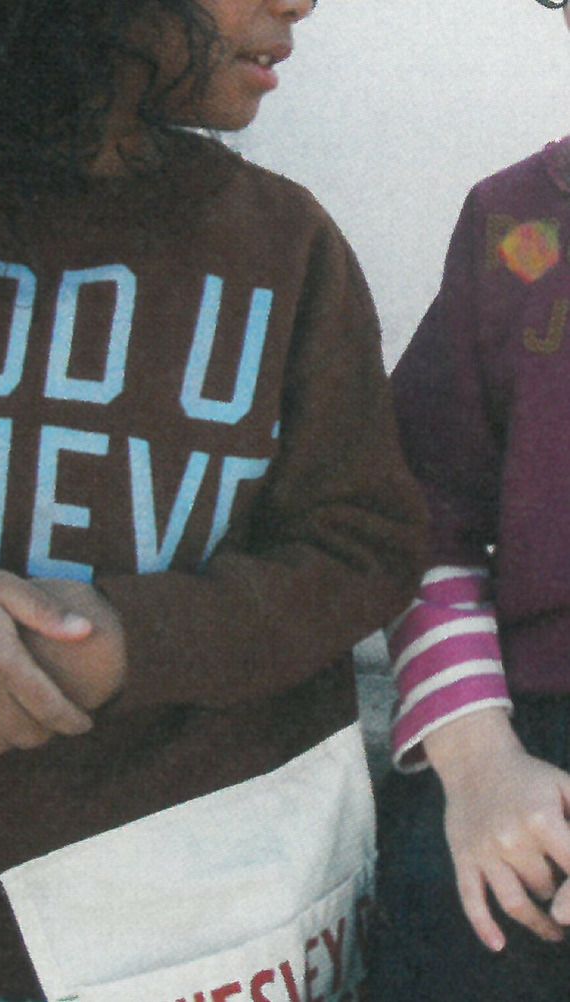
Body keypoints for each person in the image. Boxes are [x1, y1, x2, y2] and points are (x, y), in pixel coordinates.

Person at [0, 0, 425, 999]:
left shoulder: (283, 243)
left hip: (214, 929)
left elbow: (365, 545)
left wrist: (131, 641)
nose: (303, 0)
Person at [368, 2, 570, 998]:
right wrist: (478, 757)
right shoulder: (516, 221)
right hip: (529, 725)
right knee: (468, 932)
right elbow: (418, 507)